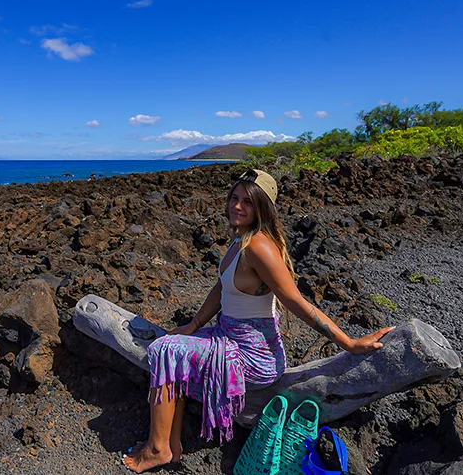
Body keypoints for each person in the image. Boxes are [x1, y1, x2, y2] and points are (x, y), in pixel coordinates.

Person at [122, 169, 395, 473]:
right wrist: (193, 325)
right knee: (172, 346)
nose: (237, 206)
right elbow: (222, 287)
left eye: (248, 202)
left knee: (163, 350)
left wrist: (349, 343)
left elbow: (296, 302)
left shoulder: (258, 247)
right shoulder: (242, 238)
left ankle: (157, 448)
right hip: (229, 336)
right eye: (234, 198)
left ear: (262, 207)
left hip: (253, 356)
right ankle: (171, 445)